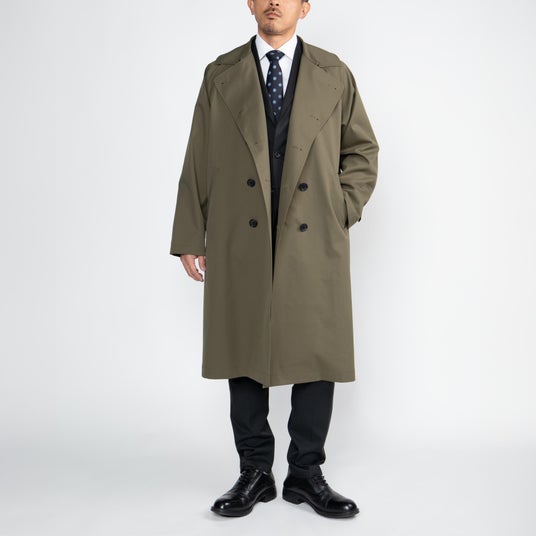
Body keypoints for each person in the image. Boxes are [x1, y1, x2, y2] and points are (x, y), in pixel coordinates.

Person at [169, 0, 379, 519]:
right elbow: (198, 157)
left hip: (313, 235)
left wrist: (340, 208)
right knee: (243, 345)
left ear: (304, 7)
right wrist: (191, 234)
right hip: (241, 233)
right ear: (250, 3)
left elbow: (362, 151)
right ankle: (255, 472)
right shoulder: (221, 74)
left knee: (317, 348)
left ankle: (306, 473)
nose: (273, 2)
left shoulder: (334, 72)